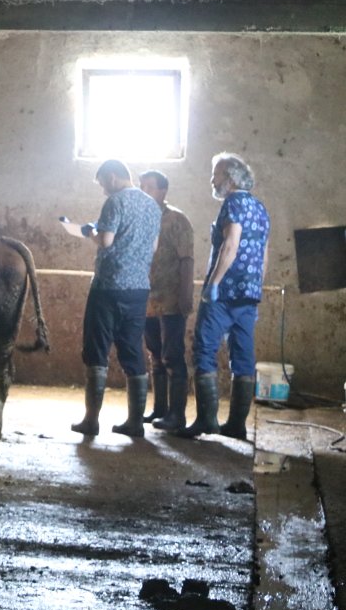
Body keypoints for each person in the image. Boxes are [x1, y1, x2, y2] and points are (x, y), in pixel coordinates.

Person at [173, 152, 270, 440]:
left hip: (225, 292)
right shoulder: (260, 208)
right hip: (248, 293)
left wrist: (213, 283)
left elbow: (231, 244)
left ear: (230, 178)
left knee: (204, 349)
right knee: (243, 356)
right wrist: (257, 289)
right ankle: (237, 424)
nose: (212, 180)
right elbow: (264, 254)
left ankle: (207, 420)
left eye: (215, 174)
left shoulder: (233, 203)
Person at [72, 159, 161, 438]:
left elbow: (106, 241)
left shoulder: (115, 201)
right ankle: (135, 422)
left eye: (102, 183)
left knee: (97, 350)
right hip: (138, 289)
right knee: (133, 349)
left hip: (108, 287)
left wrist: (90, 232)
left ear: (112, 177)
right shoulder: (152, 205)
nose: (103, 189)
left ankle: (91, 421)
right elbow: (154, 246)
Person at [138, 170, 195, 431]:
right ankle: (159, 409)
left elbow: (187, 259)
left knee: (172, 355)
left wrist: (186, 294)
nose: (144, 192)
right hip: (148, 299)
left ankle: (177, 415)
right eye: (141, 187)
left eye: (149, 187)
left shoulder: (176, 220)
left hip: (171, 299)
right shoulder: (141, 219)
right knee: (155, 355)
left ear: (163, 191)